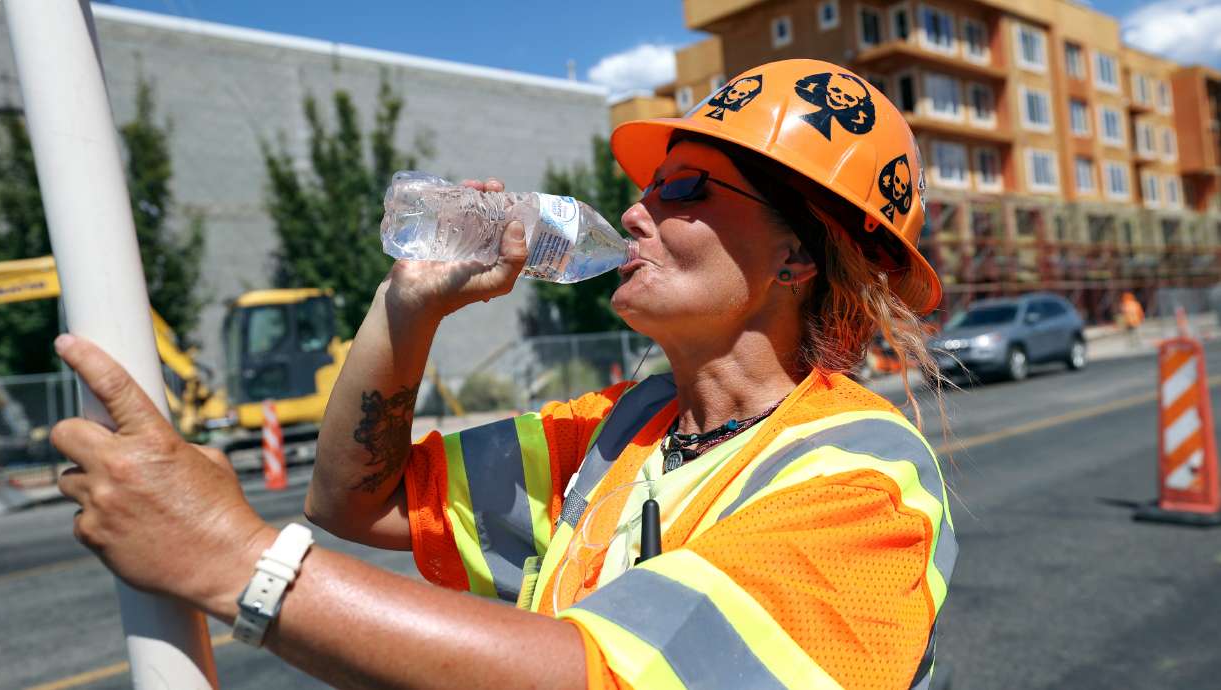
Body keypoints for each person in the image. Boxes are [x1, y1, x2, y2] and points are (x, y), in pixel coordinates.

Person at [52, 59, 955, 689]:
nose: (637, 212)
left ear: (797, 259)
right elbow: (358, 503)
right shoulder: (622, 428)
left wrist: (239, 562)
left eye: (685, 190)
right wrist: (407, 312)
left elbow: (600, 678)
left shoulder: (862, 478)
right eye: (648, 187)